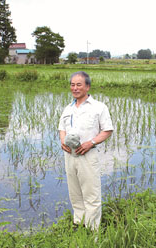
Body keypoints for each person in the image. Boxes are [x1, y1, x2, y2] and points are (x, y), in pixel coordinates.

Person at [58, 71, 113, 230]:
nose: (75, 88)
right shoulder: (67, 108)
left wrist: (91, 142)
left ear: (87, 87)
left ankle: (93, 232)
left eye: (79, 85)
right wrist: (63, 141)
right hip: (69, 156)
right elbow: (62, 128)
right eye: (72, 85)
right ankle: (78, 225)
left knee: (91, 195)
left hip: (87, 156)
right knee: (75, 194)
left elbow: (107, 130)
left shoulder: (98, 107)